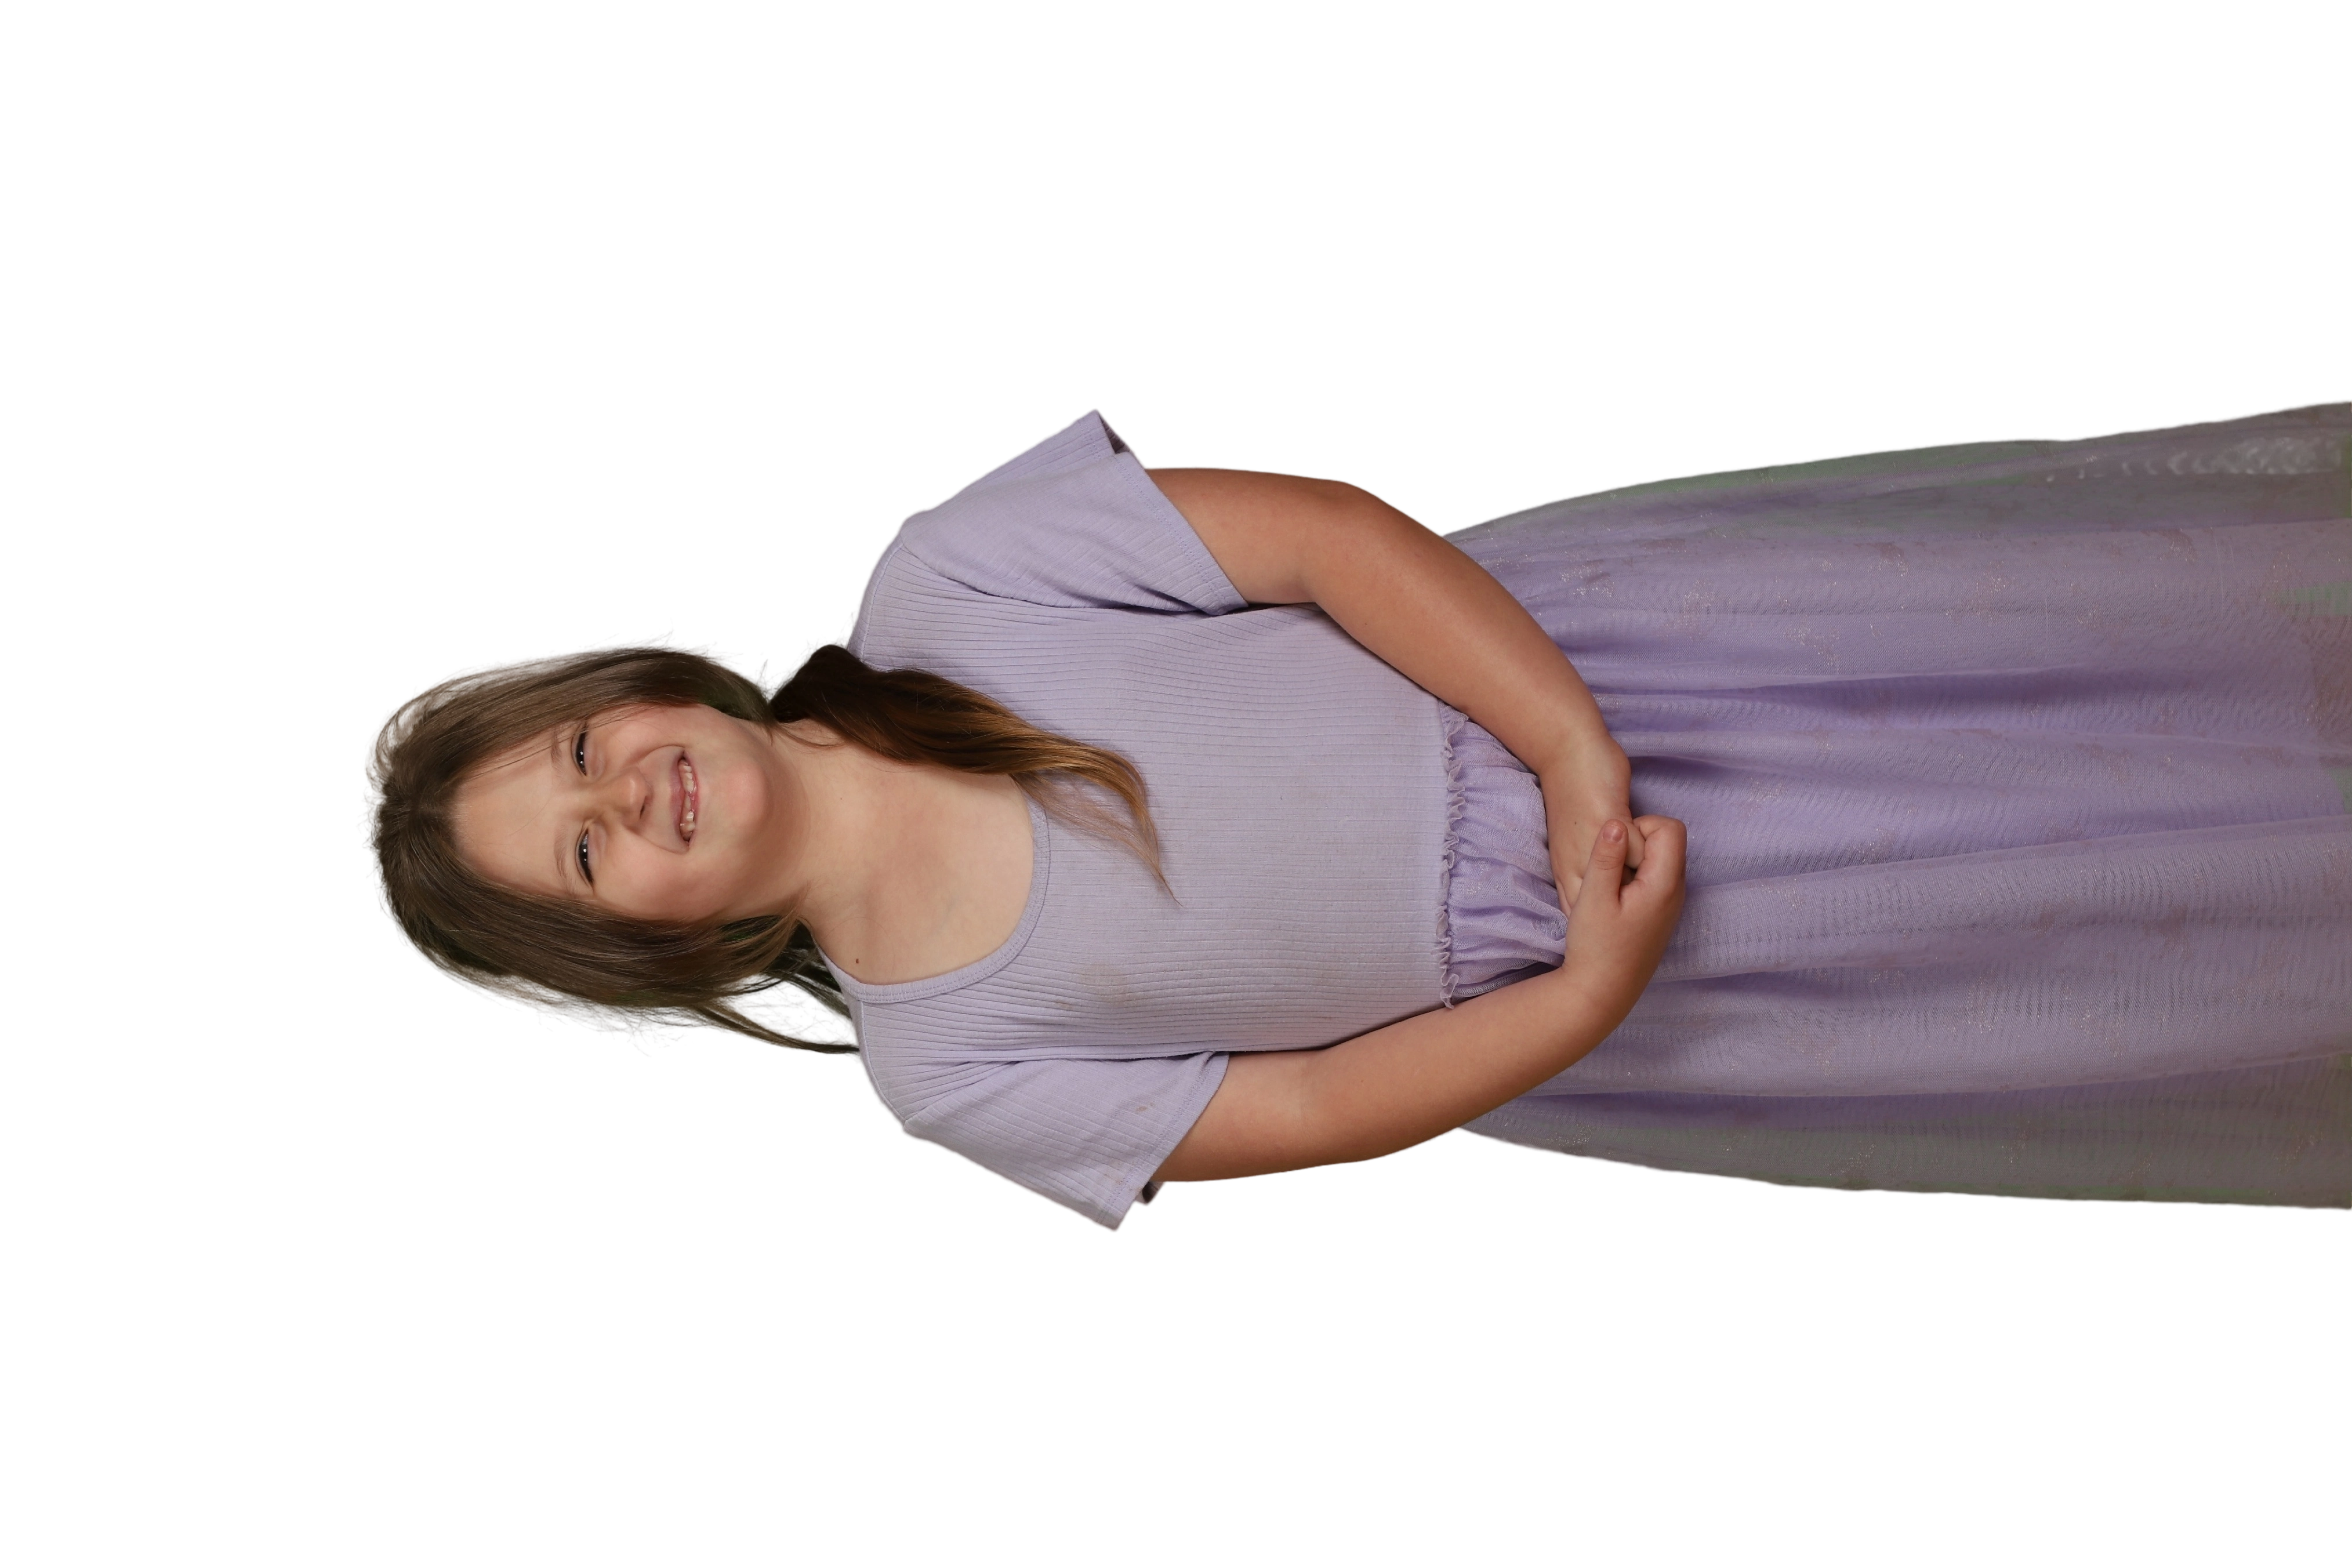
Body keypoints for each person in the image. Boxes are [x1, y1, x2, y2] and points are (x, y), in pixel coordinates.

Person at [357, 400, 2352, 1229]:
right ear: (641, 952)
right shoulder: (955, 1075)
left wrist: (1566, 749)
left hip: (1621, 679)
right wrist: (1585, 999)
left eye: (580, 748)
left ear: (637, 684)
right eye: (587, 853)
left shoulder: (949, 584)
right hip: (1639, 963)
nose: (627, 793)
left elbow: (1320, 541)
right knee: (2127, 910)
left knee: (2120, 669)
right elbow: (1311, 1109)